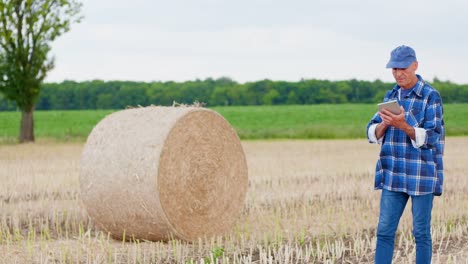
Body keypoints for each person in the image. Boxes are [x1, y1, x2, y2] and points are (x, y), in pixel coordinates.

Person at [367, 45, 445, 264]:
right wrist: (384, 124)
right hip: (393, 173)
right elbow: (371, 131)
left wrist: (403, 125)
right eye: (394, 69)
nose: (398, 73)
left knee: (420, 233)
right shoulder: (391, 95)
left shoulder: (431, 96)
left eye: (403, 68)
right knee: (383, 232)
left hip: (422, 174)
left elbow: (432, 136)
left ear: (415, 66)